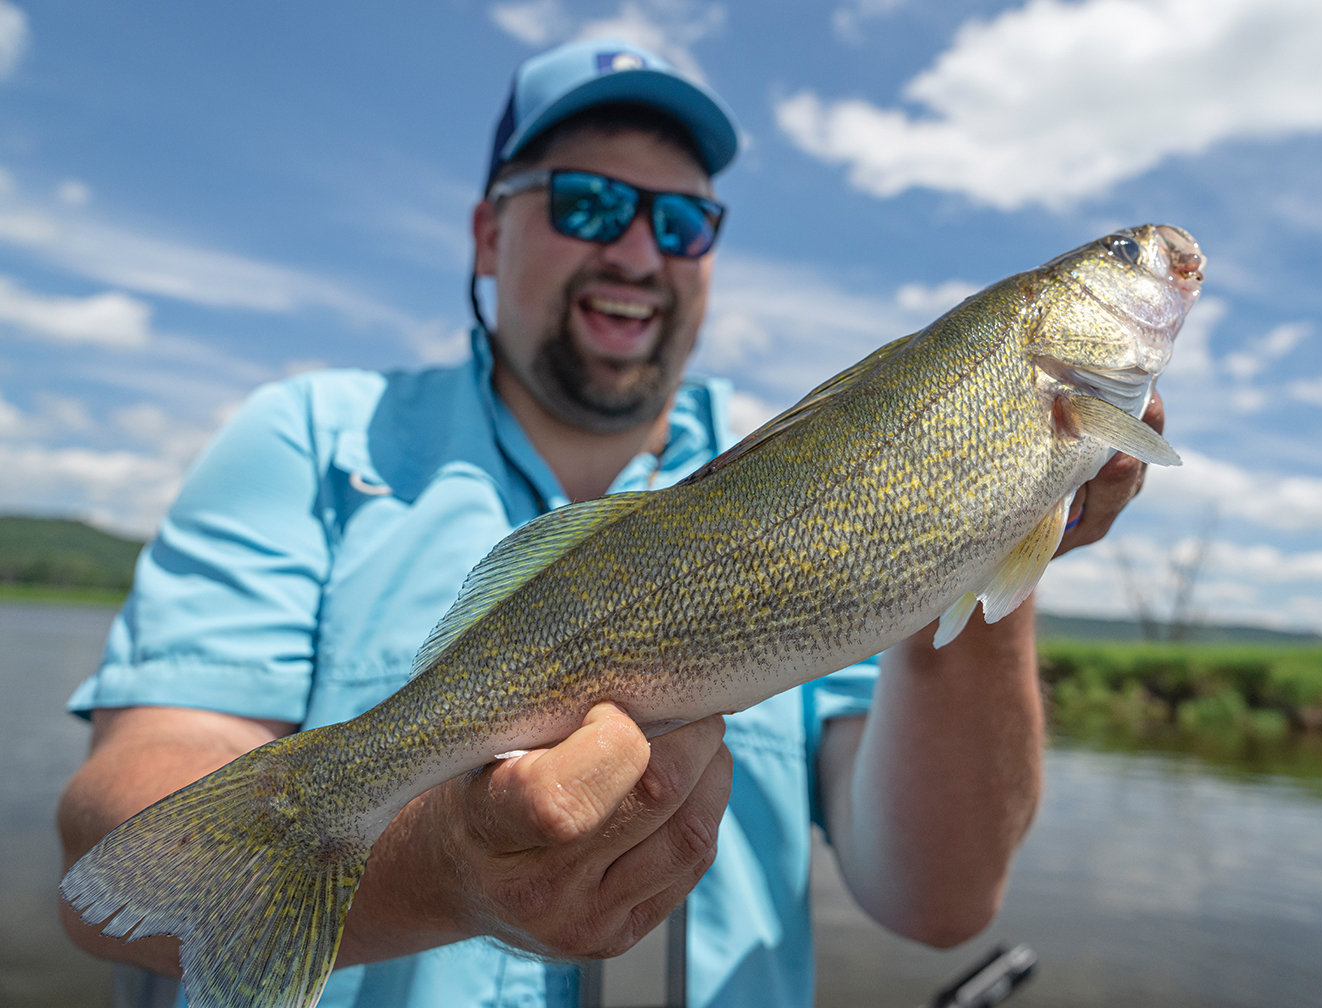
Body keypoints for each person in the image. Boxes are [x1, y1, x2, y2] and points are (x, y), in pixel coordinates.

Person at [56, 37, 1163, 1008]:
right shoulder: (307, 438)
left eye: (682, 221)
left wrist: (1003, 520)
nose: (637, 253)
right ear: (490, 234)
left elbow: (939, 898)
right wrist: (441, 871)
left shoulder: (817, 461)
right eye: (588, 206)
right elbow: (109, 859)